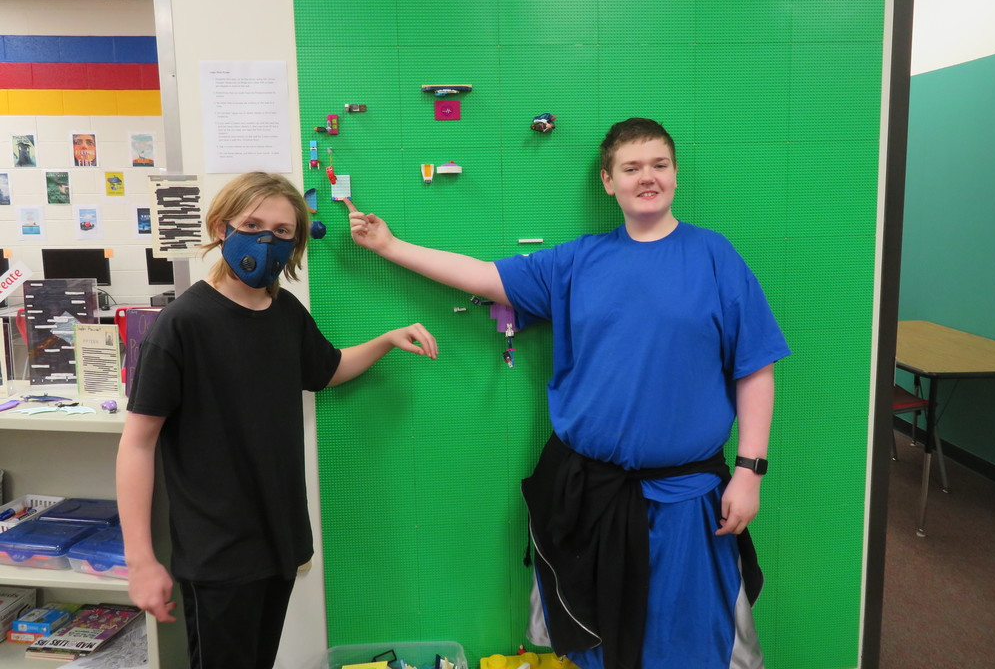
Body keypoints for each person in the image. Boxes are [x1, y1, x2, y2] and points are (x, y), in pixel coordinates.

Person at [345, 118, 789, 669]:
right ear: (609, 181)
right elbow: (483, 276)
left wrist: (749, 472)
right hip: (590, 497)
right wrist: (390, 247)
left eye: (659, 165)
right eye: (631, 168)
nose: (646, 178)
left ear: (676, 174)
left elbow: (755, 370)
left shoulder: (715, 258)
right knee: (595, 649)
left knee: (688, 645)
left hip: (687, 498)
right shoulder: (578, 262)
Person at [116, 171, 438, 669]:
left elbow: (325, 370)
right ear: (222, 227)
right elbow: (137, 443)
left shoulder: (285, 310)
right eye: (253, 224)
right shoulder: (182, 325)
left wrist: (384, 340)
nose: (268, 240)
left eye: (284, 232)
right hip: (219, 554)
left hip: (279, 542)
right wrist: (140, 561)